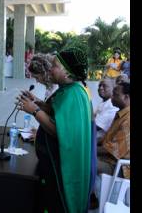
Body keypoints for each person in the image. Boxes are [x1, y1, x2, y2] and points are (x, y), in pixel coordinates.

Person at [17, 47, 93, 212]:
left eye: (55, 66)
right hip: (52, 161)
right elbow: (56, 113)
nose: (50, 69)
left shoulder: (74, 95)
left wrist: (34, 111)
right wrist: (37, 102)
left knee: (57, 202)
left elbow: (60, 131)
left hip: (62, 166)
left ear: (67, 72)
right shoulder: (68, 90)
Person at [97, 82, 130, 175]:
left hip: (120, 167)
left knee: (83, 163)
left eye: (116, 95)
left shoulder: (128, 119)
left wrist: (88, 148)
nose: (112, 97)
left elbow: (112, 151)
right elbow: (105, 141)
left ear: (126, 97)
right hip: (109, 160)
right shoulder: (121, 115)